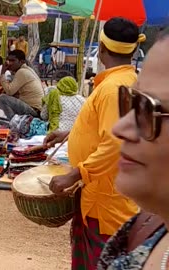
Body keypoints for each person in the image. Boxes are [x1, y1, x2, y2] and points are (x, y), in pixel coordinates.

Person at [43, 17, 146, 270]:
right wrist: (71, 133)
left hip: (107, 201)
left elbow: (116, 143)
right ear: (133, 50)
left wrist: (76, 174)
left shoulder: (113, 89)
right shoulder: (125, 81)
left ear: (100, 49)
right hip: (109, 192)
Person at [97, 27, 169, 269]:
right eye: (129, 102)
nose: (121, 128)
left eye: (149, 109)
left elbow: (107, 145)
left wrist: (77, 173)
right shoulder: (145, 236)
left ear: (101, 49)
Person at [0, 50, 43, 120]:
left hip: (33, 110)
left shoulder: (22, 72)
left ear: (21, 62)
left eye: (13, 61)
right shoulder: (26, 70)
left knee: (2, 98)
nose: (10, 63)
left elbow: (9, 91)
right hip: (35, 109)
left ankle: (13, 122)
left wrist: (3, 73)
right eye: (9, 61)